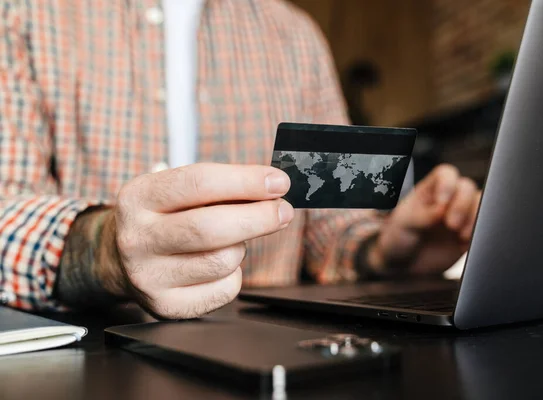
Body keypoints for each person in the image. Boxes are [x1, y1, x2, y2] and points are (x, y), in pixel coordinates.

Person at [0, 0, 481, 319]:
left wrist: (385, 252)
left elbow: (330, 232)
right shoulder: (26, 15)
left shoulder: (295, 35)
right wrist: (103, 247)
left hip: (273, 351)